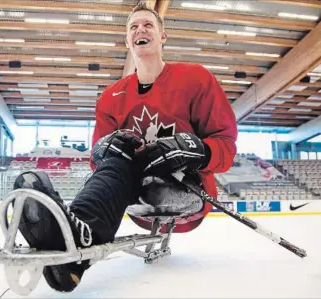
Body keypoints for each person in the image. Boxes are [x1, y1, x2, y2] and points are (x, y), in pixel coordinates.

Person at [14, 1, 237, 293]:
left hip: (183, 189)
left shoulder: (196, 79)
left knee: (134, 173)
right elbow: (99, 161)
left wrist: (196, 149)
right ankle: (75, 241)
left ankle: (75, 236)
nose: (140, 30)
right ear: (127, 39)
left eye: (148, 25)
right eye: (133, 26)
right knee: (116, 162)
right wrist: (107, 148)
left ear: (162, 36)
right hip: (132, 193)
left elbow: (225, 145)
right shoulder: (110, 97)